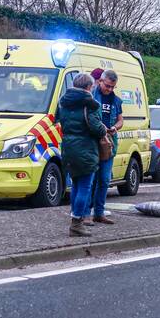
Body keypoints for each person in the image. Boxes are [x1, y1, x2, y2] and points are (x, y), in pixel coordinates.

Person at [54, 74, 107, 237]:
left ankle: (75, 218)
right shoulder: (90, 104)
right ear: (88, 87)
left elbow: (57, 120)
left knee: (75, 185)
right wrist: (105, 130)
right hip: (85, 149)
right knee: (85, 186)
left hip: (68, 148)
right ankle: (77, 223)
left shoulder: (63, 102)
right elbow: (97, 128)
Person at [90, 69, 122, 224]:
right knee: (90, 179)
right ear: (100, 81)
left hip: (109, 144)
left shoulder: (116, 100)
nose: (109, 90)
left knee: (104, 179)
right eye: (107, 86)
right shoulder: (91, 97)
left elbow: (121, 120)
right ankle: (84, 212)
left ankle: (99, 212)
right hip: (93, 143)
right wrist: (101, 127)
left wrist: (115, 127)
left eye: (112, 87)